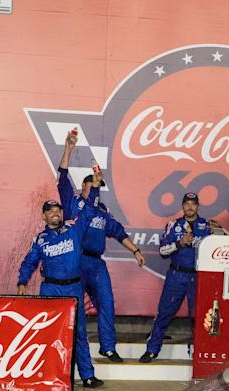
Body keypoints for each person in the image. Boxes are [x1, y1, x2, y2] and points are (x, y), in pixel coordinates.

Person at [57, 131, 146, 362]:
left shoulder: (102, 212)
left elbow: (118, 232)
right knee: (77, 310)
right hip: (75, 260)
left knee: (107, 302)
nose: (97, 186)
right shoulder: (72, 201)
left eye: (99, 184)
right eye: (94, 183)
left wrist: (135, 250)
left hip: (96, 263)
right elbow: (63, 176)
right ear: (85, 185)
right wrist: (68, 149)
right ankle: (75, 350)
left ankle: (107, 347)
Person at [17, 199, 103, 388]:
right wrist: (22, 281)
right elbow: (29, 262)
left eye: (58, 210)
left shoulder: (74, 230)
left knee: (79, 333)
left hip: (73, 289)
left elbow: (88, 212)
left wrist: (95, 189)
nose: (55, 213)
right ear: (44, 216)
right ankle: (48, 374)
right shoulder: (40, 239)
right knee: (48, 333)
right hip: (51, 289)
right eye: (50, 211)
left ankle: (87, 376)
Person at [139, 193, 220, 362]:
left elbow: (223, 245)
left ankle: (200, 351)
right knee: (164, 313)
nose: (190, 207)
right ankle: (152, 349)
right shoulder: (173, 225)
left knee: (201, 316)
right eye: (187, 204)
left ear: (198, 206)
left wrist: (219, 232)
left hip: (199, 277)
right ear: (182, 206)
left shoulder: (207, 226)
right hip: (177, 275)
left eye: (193, 204)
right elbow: (162, 251)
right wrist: (179, 243)